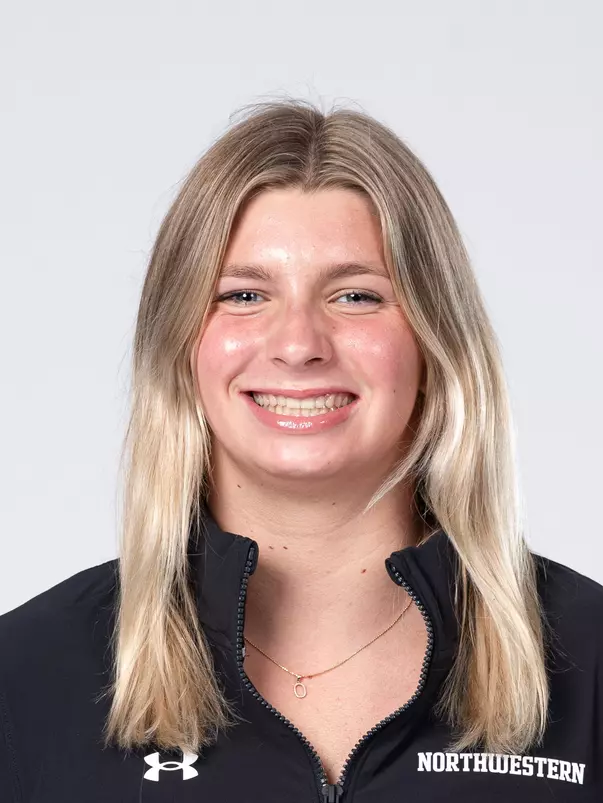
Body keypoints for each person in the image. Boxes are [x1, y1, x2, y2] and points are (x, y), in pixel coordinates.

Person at [0, 99, 601, 802]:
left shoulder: (588, 665)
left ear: (435, 344)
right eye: (244, 294)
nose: (297, 344)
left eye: (354, 295)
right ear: (179, 347)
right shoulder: (25, 678)